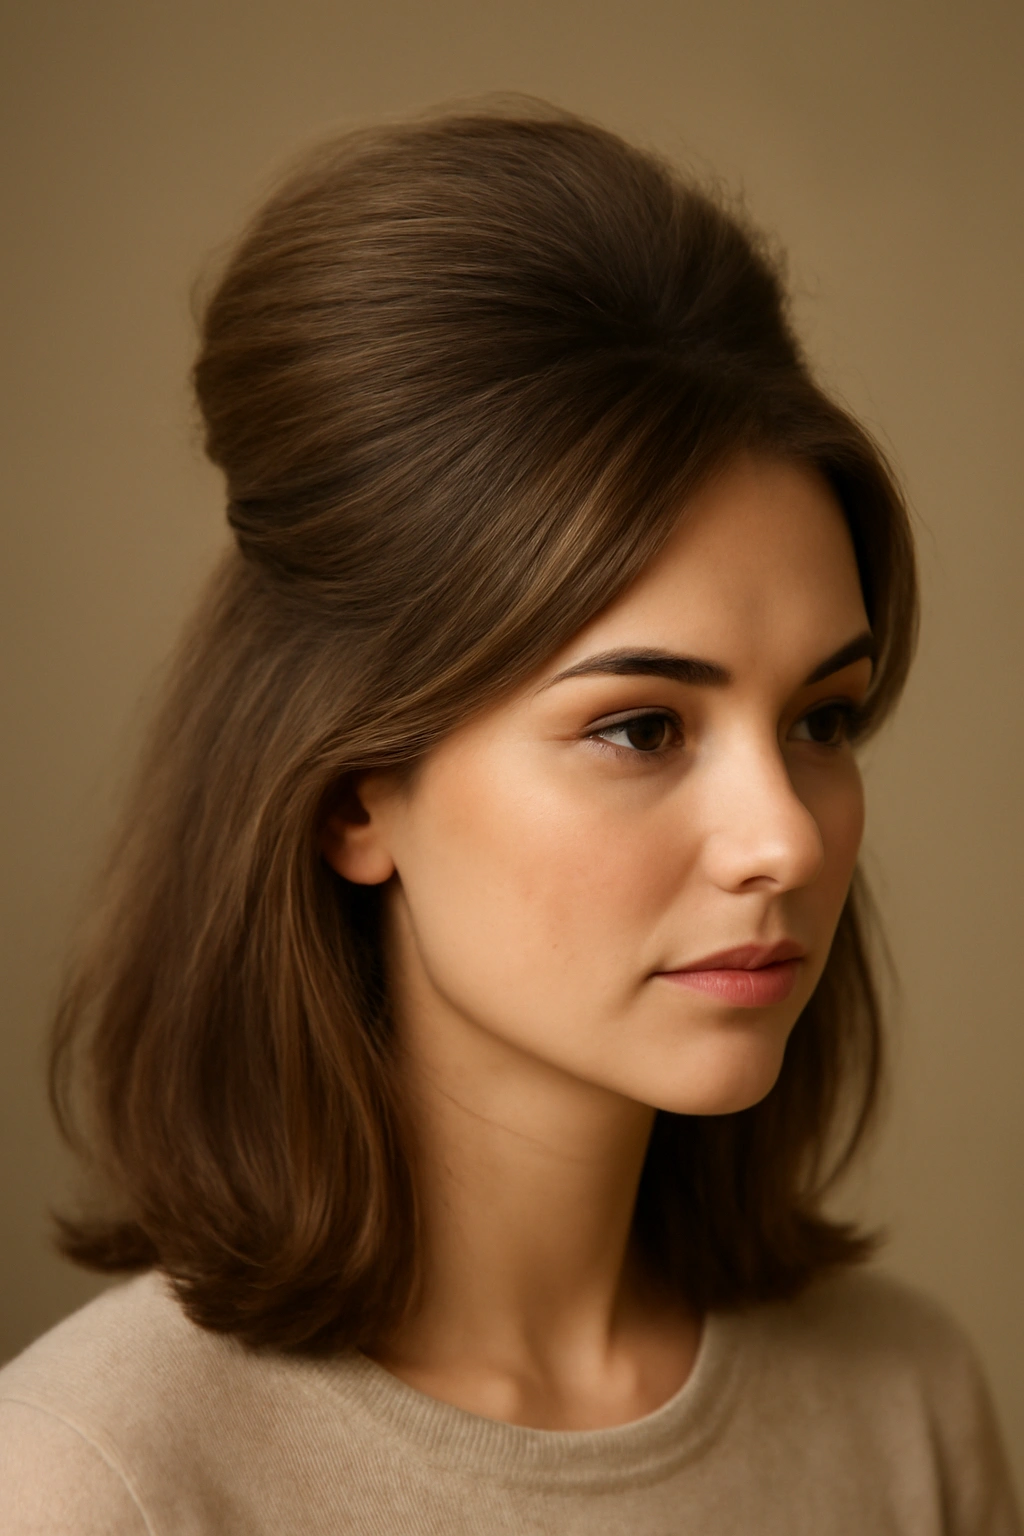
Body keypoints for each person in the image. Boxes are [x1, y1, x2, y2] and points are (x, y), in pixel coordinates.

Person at [0, 102, 1018, 1533]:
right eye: (641, 728)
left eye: (823, 720)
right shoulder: (95, 1480)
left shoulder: (903, 1406)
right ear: (358, 795)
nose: (785, 837)